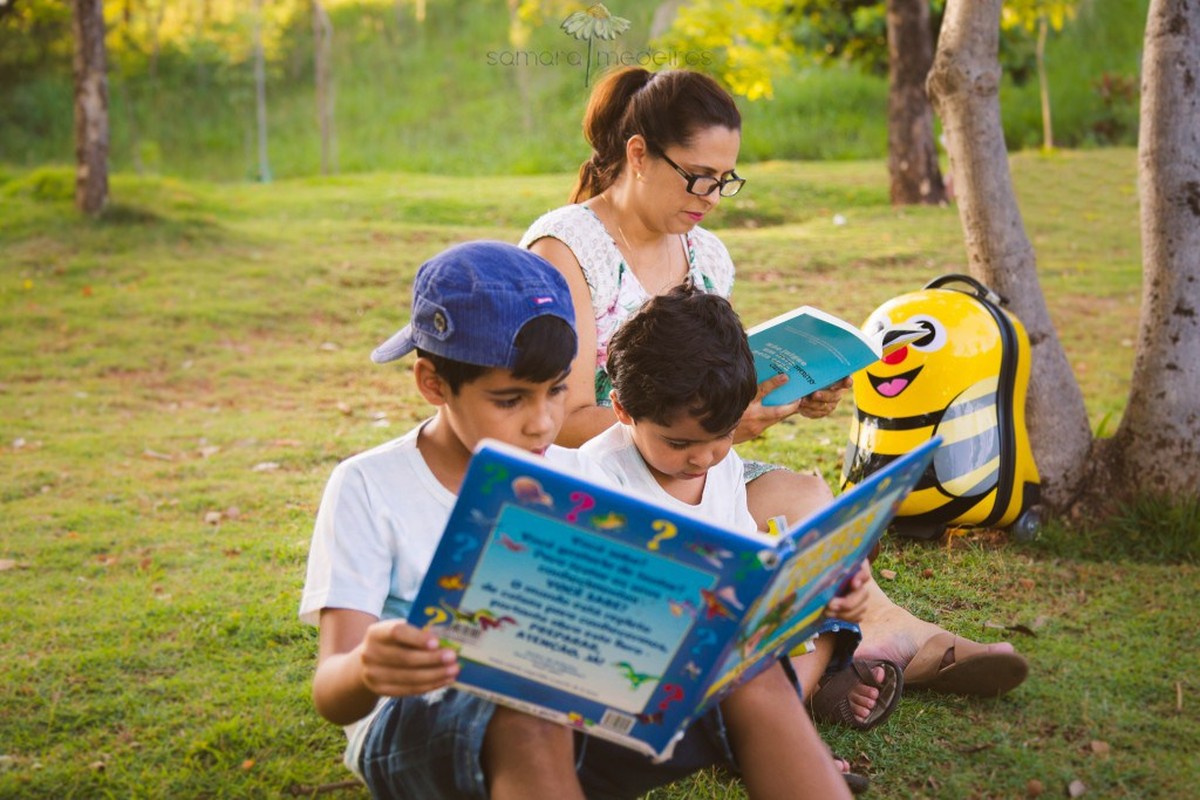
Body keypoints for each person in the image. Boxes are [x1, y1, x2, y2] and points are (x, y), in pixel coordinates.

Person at [519, 65, 1028, 706]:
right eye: (698, 176)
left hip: (684, 462)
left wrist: (781, 395)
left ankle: (871, 635)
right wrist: (723, 425)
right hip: (595, 474)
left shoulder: (705, 256)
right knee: (753, 538)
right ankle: (835, 656)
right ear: (639, 154)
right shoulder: (567, 249)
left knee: (809, 501)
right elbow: (559, 418)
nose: (710, 196)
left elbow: (705, 387)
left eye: (724, 180)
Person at [299, 241, 852, 799]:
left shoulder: (577, 474)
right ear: (433, 384)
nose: (543, 423)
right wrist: (370, 667)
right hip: (425, 726)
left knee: (749, 669)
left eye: (558, 390)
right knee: (525, 705)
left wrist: (791, 598)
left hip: (585, 709)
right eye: (511, 399)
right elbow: (331, 691)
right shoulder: (370, 485)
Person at [581, 285, 897, 788]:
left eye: (724, 435)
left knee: (826, 614)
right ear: (621, 410)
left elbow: (743, 549)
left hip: (726, 648)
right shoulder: (598, 478)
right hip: (646, 661)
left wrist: (808, 580)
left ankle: (773, 723)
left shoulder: (721, 467)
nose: (704, 458)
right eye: (679, 443)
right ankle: (773, 735)